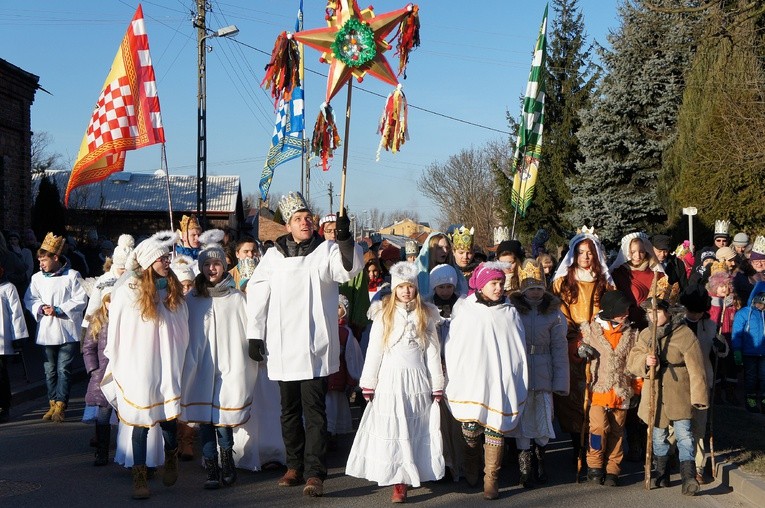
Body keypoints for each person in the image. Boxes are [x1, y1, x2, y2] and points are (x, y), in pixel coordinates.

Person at [246, 191, 362, 497]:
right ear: (288, 225)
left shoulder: (325, 252)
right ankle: (293, 465)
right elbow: (257, 295)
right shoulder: (273, 257)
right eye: (298, 219)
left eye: (308, 217)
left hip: (313, 346)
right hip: (283, 346)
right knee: (288, 410)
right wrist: (255, 334)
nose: (305, 222)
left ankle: (314, 472)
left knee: (314, 412)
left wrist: (346, 238)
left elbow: (347, 270)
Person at [100, 231, 190, 499]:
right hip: (139, 363)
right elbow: (119, 325)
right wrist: (118, 356)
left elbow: (182, 324)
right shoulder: (130, 290)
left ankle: (171, 455)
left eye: (167, 257)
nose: (166, 261)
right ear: (149, 262)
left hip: (166, 361)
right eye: (161, 258)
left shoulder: (172, 289)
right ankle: (140, 478)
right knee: (140, 421)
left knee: (168, 419)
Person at [346, 262, 444, 502]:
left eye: (410, 287)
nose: (406, 291)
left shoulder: (426, 314)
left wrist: (437, 383)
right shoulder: (384, 313)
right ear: (395, 289)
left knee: (414, 427)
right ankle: (398, 480)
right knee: (394, 428)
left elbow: (432, 351)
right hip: (390, 379)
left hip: (417, 379)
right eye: (401, 287)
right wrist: (369, 381)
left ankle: (413, 471)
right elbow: (375, 350)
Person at [445, 261, 528, 500]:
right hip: (473, 377)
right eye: (493, 283)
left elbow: (517, 347)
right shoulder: (466, 309)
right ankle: (471, 461)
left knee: (496, 429)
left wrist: (514, 374)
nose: (498, 288)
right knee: (471, 428)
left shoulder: (510, 311)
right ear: (481, 285)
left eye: (501, 283)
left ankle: (491, 477)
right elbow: (455, 345)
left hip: (500, 381)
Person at [182, 232, 252, 489]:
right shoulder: (193, 299)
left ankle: (227, 461)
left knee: (223, 419)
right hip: (201, 366)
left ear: (224, 266)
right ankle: (211, 467)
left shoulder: (235, 298)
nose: (212, 269)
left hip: (229, 366)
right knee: (205, 421)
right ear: (201, 267)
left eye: (217, 264)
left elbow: (247, 329)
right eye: (207, 265)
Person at [627, 284, 708, 497]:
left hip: (679, 392)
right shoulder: (645, 335)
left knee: (684, 436)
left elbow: (697, 369)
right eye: (649, 312)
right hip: (655, 394)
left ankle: (688, 477)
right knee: (659, 435)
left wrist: (699, 397)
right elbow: (632, 361)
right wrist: (645, 361)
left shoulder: (684, 335)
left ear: (669, 312)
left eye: (658, 312)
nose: (653, 316)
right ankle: (661, 472)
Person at [550, 227, 614, 465]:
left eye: (590, 253)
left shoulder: (604, 282)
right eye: (581, 252)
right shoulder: (562, 283)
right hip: (572, 344)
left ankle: (594, 450)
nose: (586, 257)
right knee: (574, 400)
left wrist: (598, 333)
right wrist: (574, 338)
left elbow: (611, 310)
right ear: (574, 255)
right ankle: (577, 446)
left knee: (597, 398)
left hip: (599, 343)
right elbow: (559, 313)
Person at [508, 262, 568, 488]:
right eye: (530, 289)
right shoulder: (512, 311)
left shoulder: (553, 313)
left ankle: (540, 459)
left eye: (538, 288)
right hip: (521, 371)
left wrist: (561, 380)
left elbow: (560, 347)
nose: (534, 293)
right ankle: (525, 468)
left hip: (544, 370)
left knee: (542, 420)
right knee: (523, 421)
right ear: (522, 291)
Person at [576, 290, 638, 487]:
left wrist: (636, 388)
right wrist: (579, 349)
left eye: (627, 310)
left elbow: (636, 364)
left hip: (621, 390)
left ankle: (613, 469)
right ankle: (594, 464)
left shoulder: (631, 334)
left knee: (617, 432)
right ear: (611, 311)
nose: (626, 313)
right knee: (598, 428)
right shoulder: (592, 331)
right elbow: (575, 348)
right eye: (622, 310)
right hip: (598, 389)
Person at [24, 232, 87, 423]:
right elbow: (30, 298)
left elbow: (81, 299)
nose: (41, 264)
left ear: (56, 257)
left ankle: (61, 404)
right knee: (49, 369)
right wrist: (40, 308)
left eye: (44, 260)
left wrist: (60, 309)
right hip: (47, 330)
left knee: (63, 369)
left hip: (66, 329)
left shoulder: (72, 276)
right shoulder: (37, 278)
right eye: (39, 260)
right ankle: (52, 402)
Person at [680, 284, 726, 484]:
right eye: (692, 311)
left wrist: (720, 346)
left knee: (699, 427)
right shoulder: (677, 324)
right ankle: (673, 457)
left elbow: (724, 351)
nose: (695, 315)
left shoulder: (710, 325)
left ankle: (697, 468)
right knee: (679, 427)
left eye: (699, 312)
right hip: (680, 383)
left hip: (702, 381)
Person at [82, 281, 115, 465]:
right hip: (102, 374)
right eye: (109, 301)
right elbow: (88, 348)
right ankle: (102, 451)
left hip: (122, 373)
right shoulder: (98, 320)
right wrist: (93, 369)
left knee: (126, 416)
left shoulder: (125, 318)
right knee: (103, 414)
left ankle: (127, 451)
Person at [610, 232, 666, 331]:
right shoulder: (618, 274)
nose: (638, 256)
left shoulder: (656, 273)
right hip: (626, 326)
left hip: (651, 326)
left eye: (641, 252)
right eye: (633, 252)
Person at [0, 257, 29, 423]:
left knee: (1, 375)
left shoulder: (8, 288)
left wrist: (19, 336)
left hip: (2, 340)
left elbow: (16, 313)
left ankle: (4, 406)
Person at [706, 266, 739, 405]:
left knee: (730, 367)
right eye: (720, 286)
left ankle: (730, 392)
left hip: (730, 339)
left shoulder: (732, 304)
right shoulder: (711, 304)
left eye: (726, 286)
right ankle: (717, 392)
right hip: (716, 340)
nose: (724, 289)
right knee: (716, 367)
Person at [732, 281, 765, 413]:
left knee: (763, 376)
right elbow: (737, 333)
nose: (762, 307)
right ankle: (750, 398)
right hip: (749, 352)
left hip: (763, 352)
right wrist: (737, 350)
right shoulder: (744, 313)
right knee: (751, 377)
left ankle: (763, 398)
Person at [415, 232, 469, 298]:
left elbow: (463, 294)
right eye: (439, 248)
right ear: (430, 249)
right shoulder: (417, 273)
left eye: (447, 247)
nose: (445, 251)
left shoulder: (456, 272)